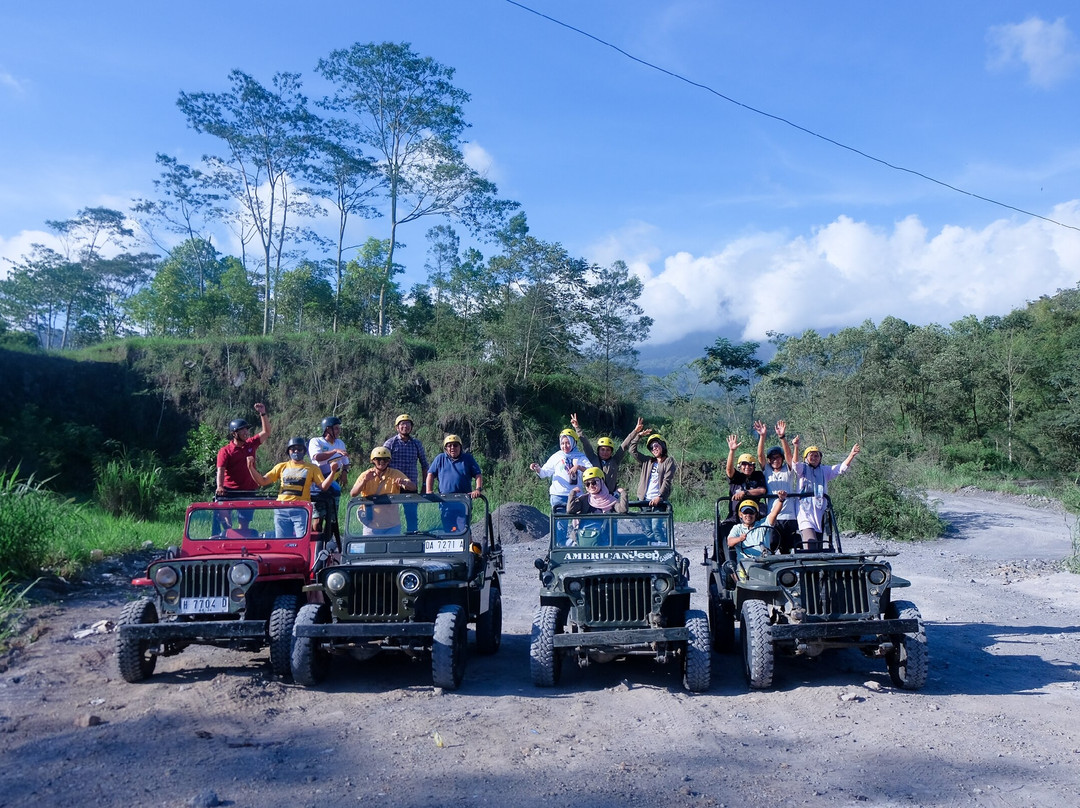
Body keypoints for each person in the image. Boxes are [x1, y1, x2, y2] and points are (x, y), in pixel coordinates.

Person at [246, 437, 340, 538]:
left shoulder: (312, 468)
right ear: (288, 451)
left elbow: (323, 486)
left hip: (301, 510)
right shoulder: (281, 466)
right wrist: (251, 468)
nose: (296, 451)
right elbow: (262, 481)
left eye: (299, 449)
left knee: (301, 540)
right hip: (281, 510)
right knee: (282, 542)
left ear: (304, 451)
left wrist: (332, 472)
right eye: (293, 449)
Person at [790, 437, 861, 552]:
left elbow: (840, 469)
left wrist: (851, 455)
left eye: (816, 456)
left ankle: (816, 564)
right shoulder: (802, 469)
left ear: (820, 458)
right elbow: (795, 464)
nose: (814, 458)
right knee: (810, 544)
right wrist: (796, 447)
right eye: (811, 455)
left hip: (819, 513)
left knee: (819, 547)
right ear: (806, 457)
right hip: (805, 513)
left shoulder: (824, 470)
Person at [755, 419, 800, 553]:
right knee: (772, 547)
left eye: (778, 457)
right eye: (773, 458)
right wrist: (762, 436)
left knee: (787, 550)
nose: (776, 460)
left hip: (789, 517)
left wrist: (782, 437)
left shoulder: (788, 470)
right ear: (769, 460)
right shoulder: (767, 470)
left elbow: (789, 456)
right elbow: (760, 455)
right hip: (773, 516)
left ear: (782, 459)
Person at [351, 446, 417, 535]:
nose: (382, 462)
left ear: (389, 461)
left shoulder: (395, 474)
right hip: (371, 525)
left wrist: (404, 483)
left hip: (392, 526)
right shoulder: (366, 475)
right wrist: (364, 481)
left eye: (385, 460)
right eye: (378, 460)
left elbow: (413, 487)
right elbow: (353, 493)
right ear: (372, 461)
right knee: (369, 545)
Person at [570, 413, 641, 493]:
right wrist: (577, 427)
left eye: (608, 450)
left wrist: (635, 431)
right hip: (594, 495)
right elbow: (585, 443)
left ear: (611, 452)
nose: (605, 452)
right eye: (602, 449)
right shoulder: (593, 458)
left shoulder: (615, 461)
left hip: (610, 496)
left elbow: (624, 446)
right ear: (598, 450)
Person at [426, 434, 483, 532]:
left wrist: (477, 489)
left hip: (463, 502)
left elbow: (478, 474)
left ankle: (468, 542)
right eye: (449, 446)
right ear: (446, 448)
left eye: (455, 445)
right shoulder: (440, 459)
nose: (452, 448)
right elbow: (430, 474)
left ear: (460, 447)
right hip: (445, 502)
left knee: (464, 530)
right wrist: (429, 491)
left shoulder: (467, 459)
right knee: (449, 531)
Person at [718, 433, 768, 542]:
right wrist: (732, 451)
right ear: (739, 466)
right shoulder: (736, 477)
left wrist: (745, 493)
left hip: (754, 513)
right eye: (744, 464)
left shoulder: (758, 475)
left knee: (768, 527)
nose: (747, 467)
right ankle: (723, 552)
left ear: (754, 466)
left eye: (750, 465)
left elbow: (762, 490)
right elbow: (729, 470)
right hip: (735, 514)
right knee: (720, 532)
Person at [308, 416, 350, 543]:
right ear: (327, 429)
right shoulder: (316, 441)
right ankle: (316, 543)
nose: (338, 431)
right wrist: (334, 451)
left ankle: (328, 542)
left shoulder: (340, 443)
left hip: (333, 483)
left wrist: (345, 472)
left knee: (332, 518)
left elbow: (345, 461)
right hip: (318, 483)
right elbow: (317, 457)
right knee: (318, 517)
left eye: (339, 428)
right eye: (336, 428)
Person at [530, 428, 593, 513]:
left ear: (573, 442)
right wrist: (537, 468)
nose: (565, 446)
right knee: (560, 520)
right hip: (558, 496)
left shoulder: (581, 457)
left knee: (577, 521)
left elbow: (591, 472)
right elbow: (544, 473)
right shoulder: (557, 456)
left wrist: (578, 467)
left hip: (576, 495)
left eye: (568, 443)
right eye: (562, 443)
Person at [384, 413, 428, 532]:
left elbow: (424, 465)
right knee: (389, 514)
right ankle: (390, 537)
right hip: (393, 486)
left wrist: (425, 486)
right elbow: (382, 464)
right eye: (402, 424)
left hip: (410, 486)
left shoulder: (417, 444)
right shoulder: (390, 443)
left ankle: (412, 537)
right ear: (397, 427)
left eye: (408, 424)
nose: (405, 427)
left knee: (411, 516)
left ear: (411, 427)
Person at [215, 403, 271, 496]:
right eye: (242, 430)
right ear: (234, 434)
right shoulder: (225, 451)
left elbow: (266, 432)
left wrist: (263, 413)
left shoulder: (251, 443)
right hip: (230, 491)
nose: (246, 432)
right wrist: (220, 486)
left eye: (246, 429)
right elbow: (221, 470)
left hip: (250, 491)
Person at [728, 492, 787, 559]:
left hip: (765, 561)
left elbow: (774, 513)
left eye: (751, 512)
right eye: (745, 512)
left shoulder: (763, 524)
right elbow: (730, 542)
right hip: (745, 563)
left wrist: (781, 500)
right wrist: (739, 539)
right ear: (740, 515)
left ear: (756, 514)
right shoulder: (737, 528)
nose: (748, 515)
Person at [628, 430, 675, 508]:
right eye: (651, 447)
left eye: (656, 445)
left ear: (662, 445)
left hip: (659, 501)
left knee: (658, 516)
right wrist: (638, 436)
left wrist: (659, 496)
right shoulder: (647, 461)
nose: (654, 448)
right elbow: (632, 451)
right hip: (644, 499)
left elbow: (667, 480)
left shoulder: (668, 461)